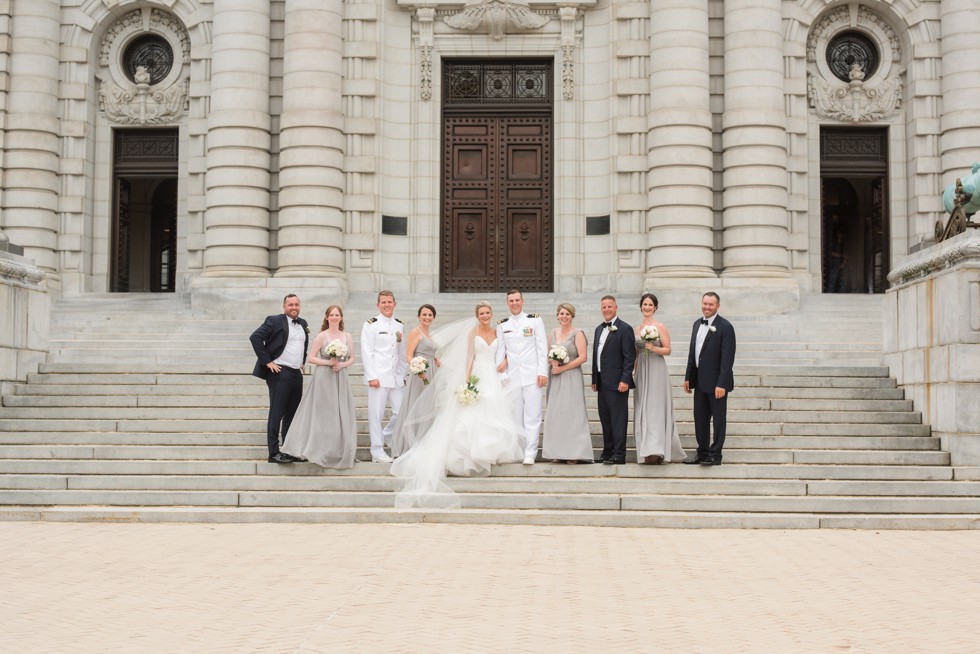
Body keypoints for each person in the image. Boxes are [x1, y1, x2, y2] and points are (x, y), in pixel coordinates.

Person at [391, 301, 524, 508]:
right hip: (479, 374)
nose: (485, 316)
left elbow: (504, 352)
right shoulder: (473, 332)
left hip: (494, 376)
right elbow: (470, 356)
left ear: (491, 314)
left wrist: (505, 362)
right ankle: (467, 456)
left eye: (488, 312)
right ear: (477, 315)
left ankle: (492, 453)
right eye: (482, 313)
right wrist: (468, 381)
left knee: (494, 414)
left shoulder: (498, 330)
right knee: (471, 415)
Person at [280, 306, 357, 468]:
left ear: (341, 318)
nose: (334, 317)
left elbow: (352, 359)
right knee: (324, 414)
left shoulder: (347, 336)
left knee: (339, 412)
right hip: (324, 377)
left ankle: (338, 450)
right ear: (327, 317)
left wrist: (342, 365)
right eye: (332, 315)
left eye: (337, 315)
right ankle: (320, 449)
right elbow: (311, 358)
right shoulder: (322, 336)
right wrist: (329, 362)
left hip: (340, 377)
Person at [250, 294, 309, 464]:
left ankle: (288, 450)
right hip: (280, 373)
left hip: (296, 374)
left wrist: (302, 361)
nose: (294, 307)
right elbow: (255, 337)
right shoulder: (274, 321)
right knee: (277, 413)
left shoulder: (303, 323)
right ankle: (273, 452)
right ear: (284, 307)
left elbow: (302, 344)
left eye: (297, 304)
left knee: (291, 415)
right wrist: (267, 361)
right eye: (290, 304)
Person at [495, 289, 548, 465]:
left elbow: (541, 348)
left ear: (522, 301)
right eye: (511, 301)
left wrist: (542, 372)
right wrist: (502, 375)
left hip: (532, 376)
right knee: (515, 416)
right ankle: (518, 450)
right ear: (507, 303)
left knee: (532, 415)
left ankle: (530, 453)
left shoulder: (534, 320)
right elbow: (500, 351)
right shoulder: (502, 324)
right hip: (513, 378)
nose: (514, 303)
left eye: (517, 300)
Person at [683, 292, 736, 466]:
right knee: (700, 419)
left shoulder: (725, 327)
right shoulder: (697, 324)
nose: (707, 307)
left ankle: (715, 454)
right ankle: (703, 452)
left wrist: (722, 383)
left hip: (717, 384)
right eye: (705, 303)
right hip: (699, 381)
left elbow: (727, 359)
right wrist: (688, 377)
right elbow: (693, 354)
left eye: (711, 305)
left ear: (718, 306)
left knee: (719, 420)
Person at [633, 293, 686, 464]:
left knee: (655, 408)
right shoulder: (635, 329)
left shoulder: (660, 326)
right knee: (643, 407)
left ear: (655, 307)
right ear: (641, 307)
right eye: (645, 304)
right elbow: (634, 353)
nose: (647, 307)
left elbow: (668, 349)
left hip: (656, 368)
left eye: (650, 305)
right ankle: (645, 449)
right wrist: (631, 372)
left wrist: (653, 348)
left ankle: (657, 450)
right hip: (642, 368)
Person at [541, 303, 593, 464]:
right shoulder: (553, 332)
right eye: (562, 314)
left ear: (572, 316)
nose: (564, 316)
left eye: (567, 314)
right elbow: (548, 354)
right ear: (557, 316)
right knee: (557, 413)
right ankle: (558, 452)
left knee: (572, 413)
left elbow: (582, 357)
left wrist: (563, 368)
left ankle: (574, 453)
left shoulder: (578, 333)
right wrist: (553, 363)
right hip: (556, 377)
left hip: (571, 376)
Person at [360, 290, 407, 463]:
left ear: (395, 304)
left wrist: (402, 374)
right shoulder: (371, 324)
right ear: (378, 305)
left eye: (389, 302)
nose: (387, 305)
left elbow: (401, 353)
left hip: (395, 378)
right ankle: (377, 451)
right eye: (383, 302)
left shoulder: (399, 325)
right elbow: (366, 352)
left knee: (400, 411)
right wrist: (371, 376)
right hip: (378, 378)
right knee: (376, 415)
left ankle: (387, 434)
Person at [390, 304, 440, 458]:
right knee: (415, 406)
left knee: (428, 407)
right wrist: (419, 370)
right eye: (424, 314)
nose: (427, 317)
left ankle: (424, 442)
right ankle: (407, 444)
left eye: (430, 315)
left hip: (431, 373)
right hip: (420, 375)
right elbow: (408, 356)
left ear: (433, 317)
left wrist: (436, 358)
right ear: (419, 316)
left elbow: (431, 352)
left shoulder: (430, 335)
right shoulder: (415, 332)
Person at [591, 295, 635, 465]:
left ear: (616, 307)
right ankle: (607, 451)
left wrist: (625, 379)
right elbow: (596, 355)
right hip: (602, 382)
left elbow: (629, 357)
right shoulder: (598, 329)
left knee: (618, 419)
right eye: (604, 307)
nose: (607, 310)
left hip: (618, 383)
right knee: (605, 419)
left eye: (610, 306)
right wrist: (595, 377)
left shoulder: (625, 329)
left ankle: (619, 454)